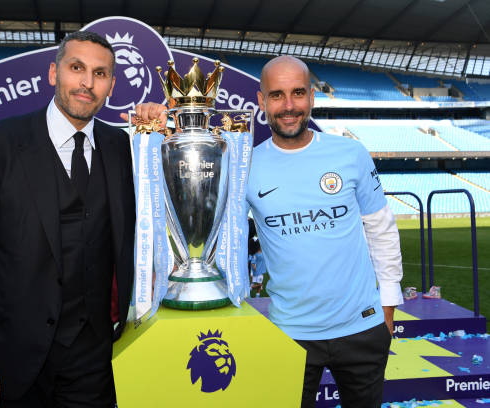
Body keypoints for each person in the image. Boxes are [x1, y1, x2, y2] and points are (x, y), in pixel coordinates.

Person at [131, 55, 403, 408]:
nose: (289, 106)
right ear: (261, 101)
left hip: (362, 328)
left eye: (298, 93)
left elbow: (381, 229)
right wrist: (152, 128)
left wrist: (388, 307)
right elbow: (199, 213)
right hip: (290, 333)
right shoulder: (244, 165)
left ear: (312, 97)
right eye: (277, 95)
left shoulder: (350, 153)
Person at [0, 31, 135, 408]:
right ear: (53, 73)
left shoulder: (122, 147)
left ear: (111, 85)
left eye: (100, 73)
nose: (87, 82)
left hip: (94, 361)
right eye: (76, 68)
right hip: (10, 364)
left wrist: (160, 130)